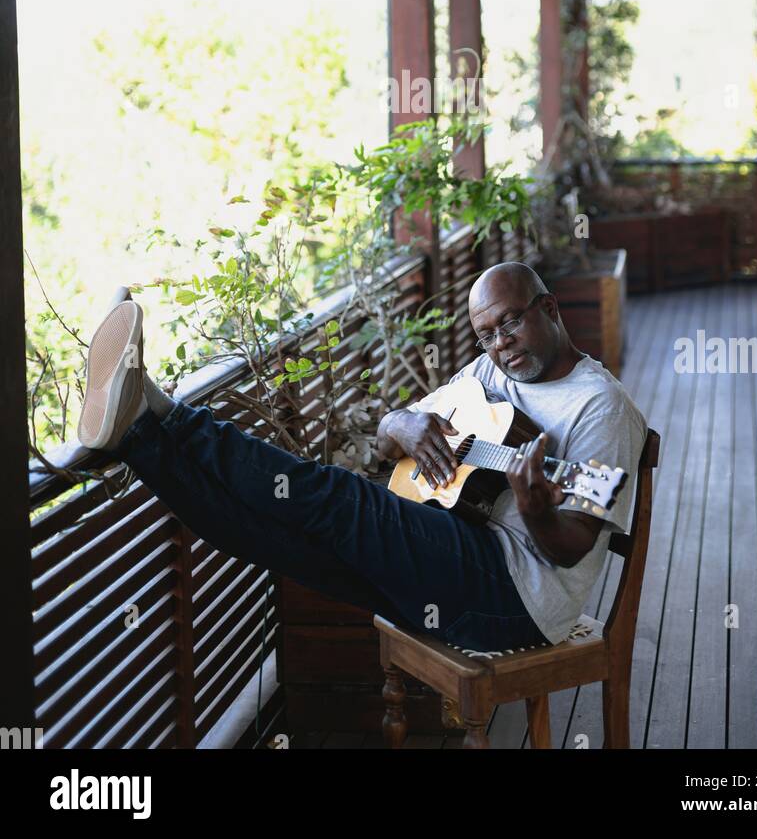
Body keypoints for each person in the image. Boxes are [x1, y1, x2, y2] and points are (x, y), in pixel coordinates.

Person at [79, 262, 647, 652]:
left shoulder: (601, 407)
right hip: (456, 543)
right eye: (487, 335)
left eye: (512, 322)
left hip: (515, 598)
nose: (501, 343)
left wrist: (537, 508)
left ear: (549, 307)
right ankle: (139, 440)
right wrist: (403, 420)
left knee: (335, 497)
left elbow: (572, 550)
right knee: (283, 545)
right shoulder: (486, 372)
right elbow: (388, 443)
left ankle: (172, 416)